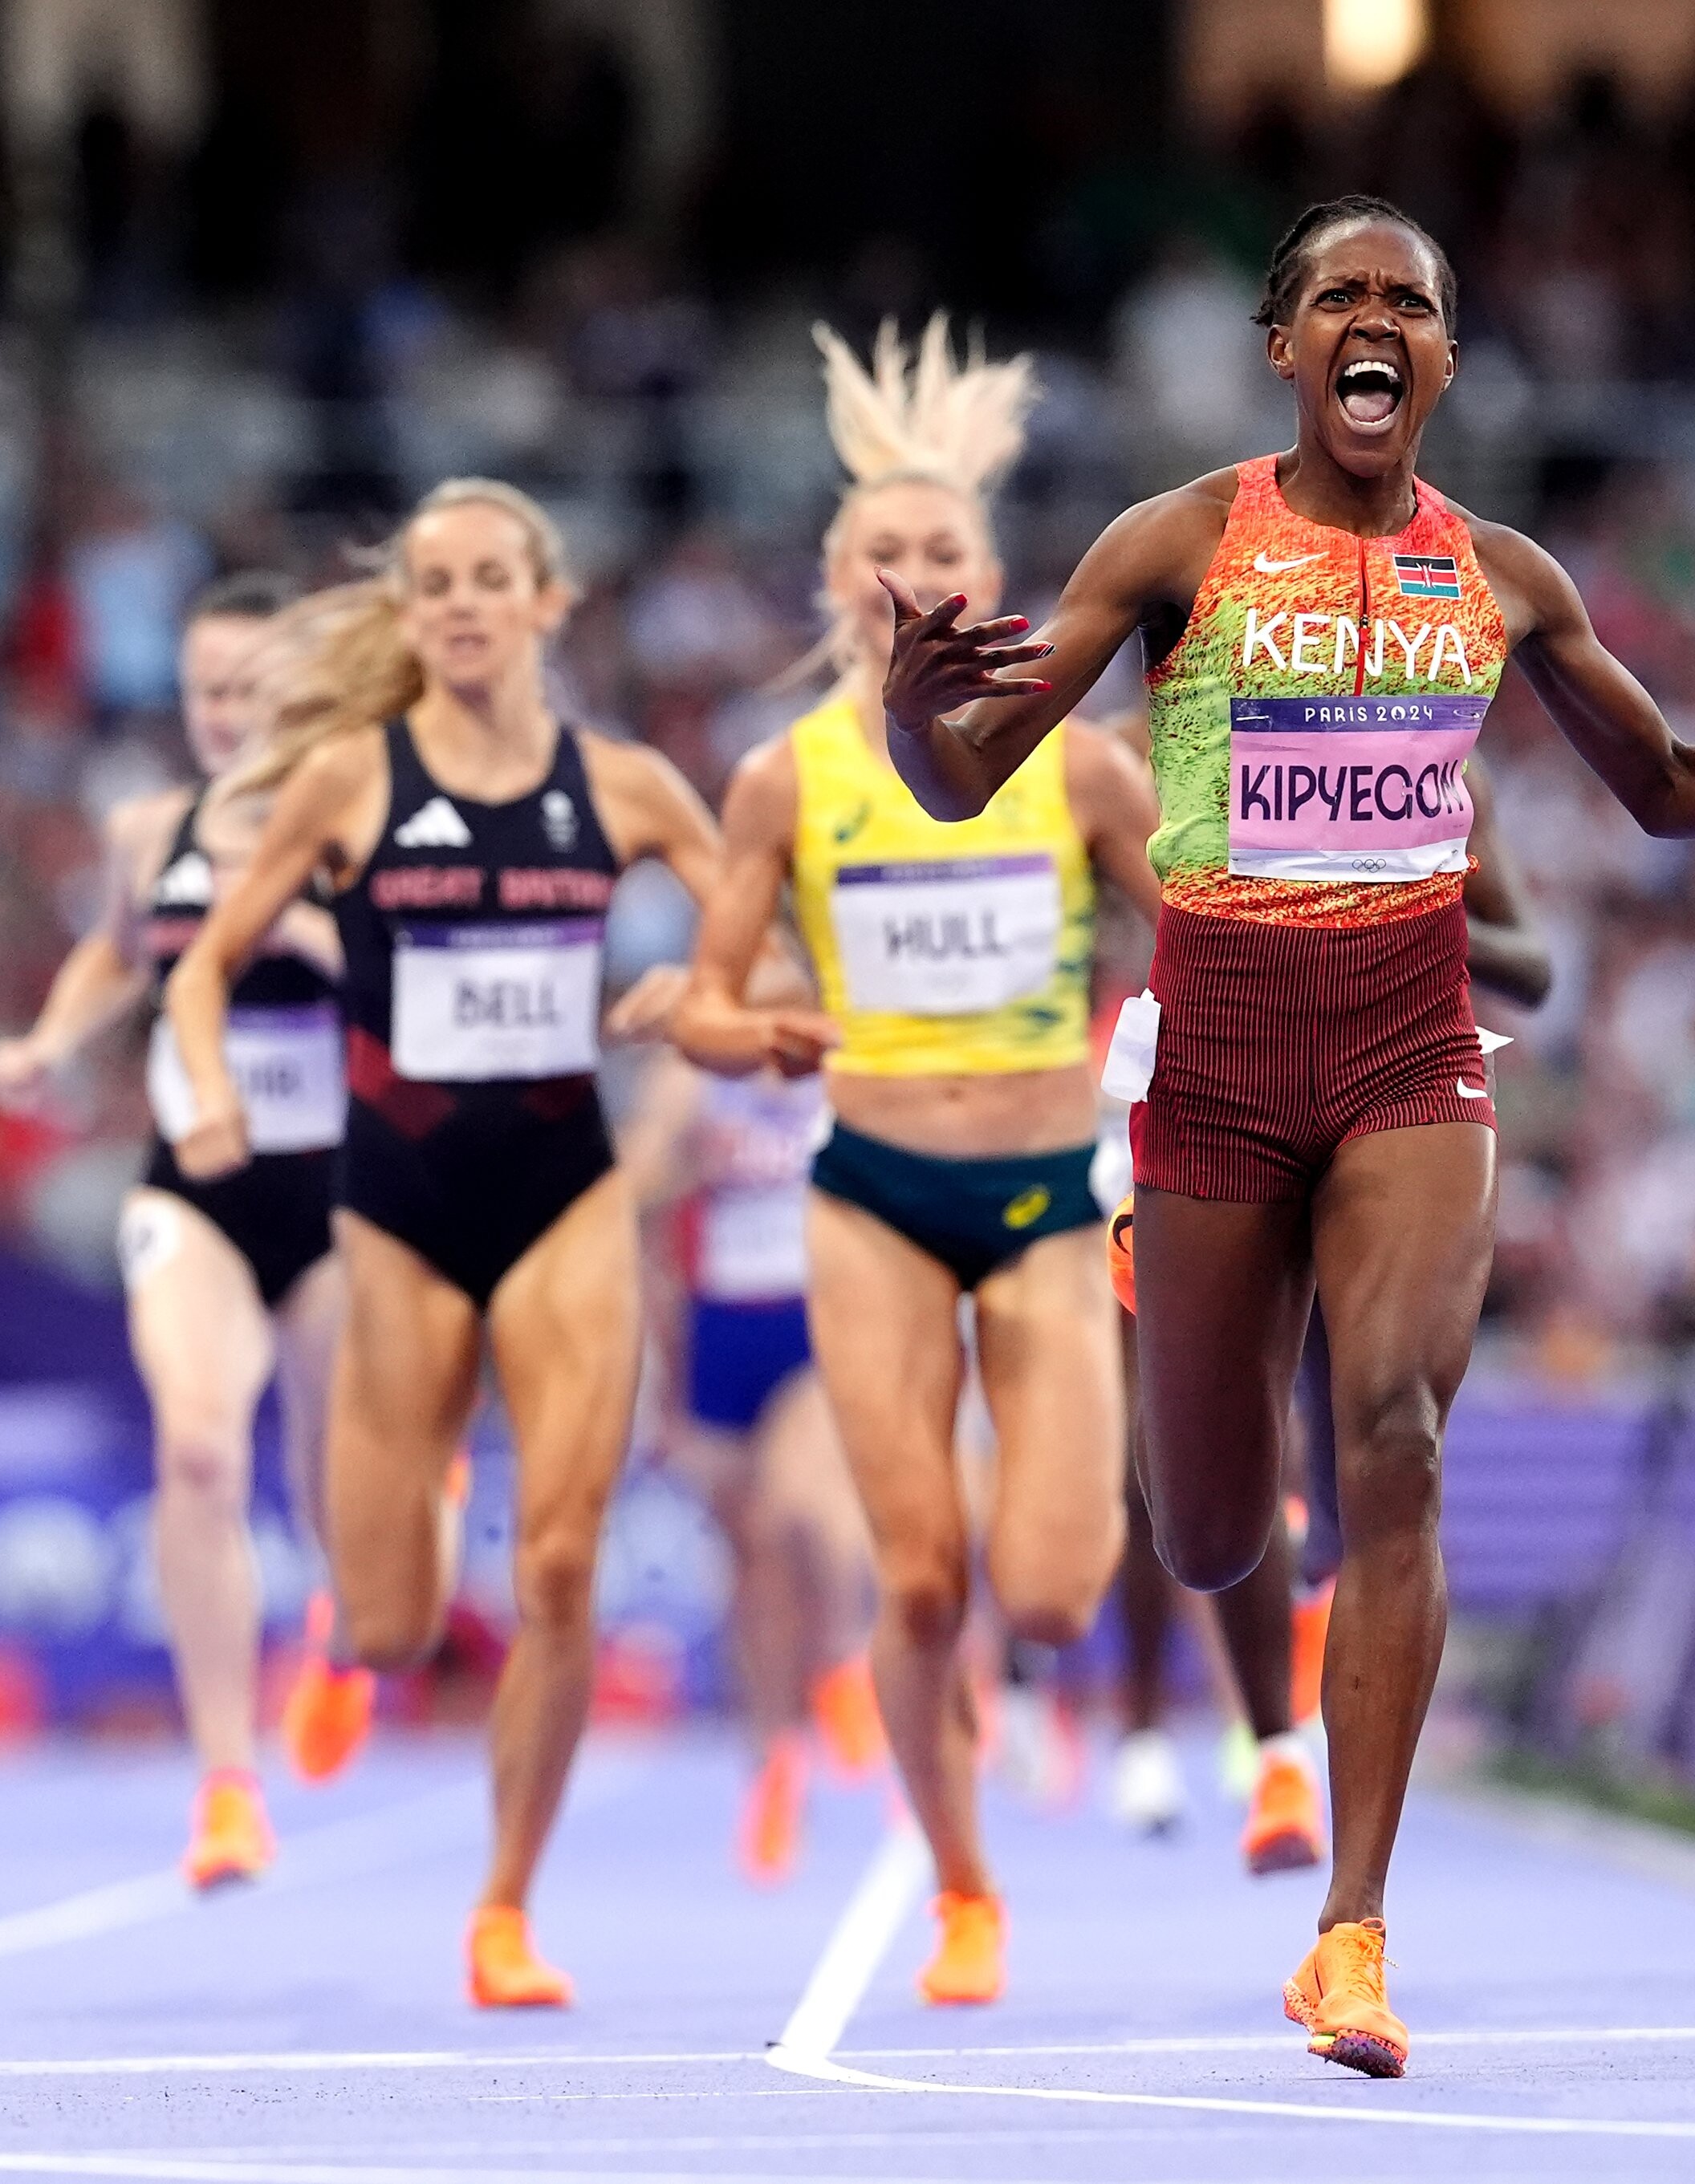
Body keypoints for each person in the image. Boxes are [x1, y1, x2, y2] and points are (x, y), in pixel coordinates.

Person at [875, 195, 1695, 2076]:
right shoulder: (1174, 541)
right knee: (1208, 1533)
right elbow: (965, 773)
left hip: (1409, 1048)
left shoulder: (1504, 576)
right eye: (1342, 296)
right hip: (1216, 1061)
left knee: (1393, 1435)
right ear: (1284, 346)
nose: (1376, 320)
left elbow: (1662, 786)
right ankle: (1179, 1330)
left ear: (1446, 359)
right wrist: (918, 726)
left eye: (1410, 300)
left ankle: (1351, 1932)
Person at [163, 478, 722, 2008]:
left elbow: (755, 938)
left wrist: (707, 1003)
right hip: (397, 1214)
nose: (462, 604)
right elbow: (203, 971)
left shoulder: (623, 787)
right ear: (407, 617)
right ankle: (357, 1616)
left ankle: (503, 1909)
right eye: (434, 584)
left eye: (489, 578)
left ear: (548, 601)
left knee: (559, 1561)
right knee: (399, 1621)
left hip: (563, 1193)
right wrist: (208, 1090)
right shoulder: (348, 781)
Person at [674, 318, 1164, 2006]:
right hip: (872, 1195)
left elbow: (1211, 931)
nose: (910, 568)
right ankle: (962, 1887)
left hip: (1038, 1197)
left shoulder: (1076, 764)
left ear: (990, 577)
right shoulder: (782, 781)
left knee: (1051, 1588)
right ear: (838, 584)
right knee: (921, 1572)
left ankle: (1028, 1694)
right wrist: (741, 1031)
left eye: (939, 544)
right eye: (880, 547)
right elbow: (707, 996)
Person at [0, 570, 361, 1890]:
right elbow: (116, 950)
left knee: (333, 1477)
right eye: (205, 689)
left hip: (335, 1194)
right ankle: (226, 1784)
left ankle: (344, 1629)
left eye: (250, 689)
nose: (223, 712)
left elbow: (411, 983)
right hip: (190, 1186)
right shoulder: (150, 829)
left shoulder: (357, 824)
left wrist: (300, 928)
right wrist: (48, 1038)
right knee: (197, 1450)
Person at [1103, 761, 1553, 1857]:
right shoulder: (1135, 746)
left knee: (1372, 1448)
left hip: (1383, 1094)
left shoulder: (1435, 748)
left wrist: (1402, 908)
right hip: (1212, 1099)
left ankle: (1290, 1741)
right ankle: (1226, 1727)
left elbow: (1531, 964)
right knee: (1194, 1484)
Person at [622, 973, 880, 1886]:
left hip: (816, 1326)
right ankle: (773, 1765)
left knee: (802, 1506)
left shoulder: (843, 1064)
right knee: (753, 1566)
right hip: (719, 1334)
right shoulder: (694, 1076)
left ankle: (845, 1655)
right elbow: (632, 1188)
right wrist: (681, 1159)